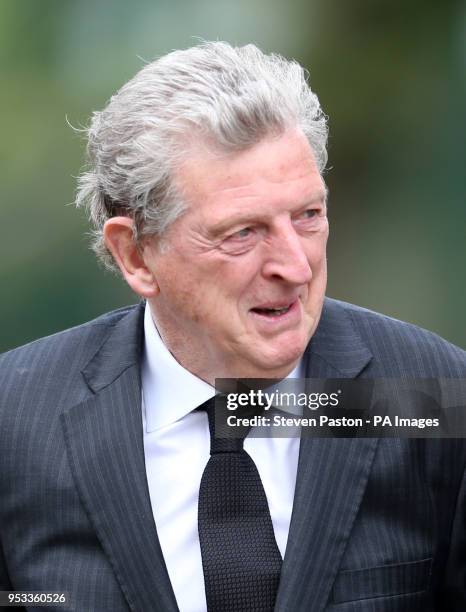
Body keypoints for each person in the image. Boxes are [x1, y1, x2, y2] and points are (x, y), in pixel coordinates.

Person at [0, 41, 465, 612]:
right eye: (242, 232)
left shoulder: (435, 396)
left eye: (308, 216)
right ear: (137, 256)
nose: (295, 266)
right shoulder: (14, 417)